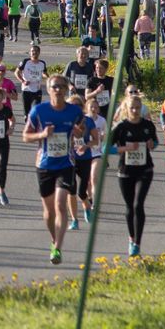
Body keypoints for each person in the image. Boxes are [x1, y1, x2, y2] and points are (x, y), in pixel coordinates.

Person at [23, 74, 86, 265]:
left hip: (65, 164)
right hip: (44, 165)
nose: (57, 90)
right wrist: (42, 134)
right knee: (49, 212)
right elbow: (26, 136)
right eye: (54, 87)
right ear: (48, 89)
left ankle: (57, 247)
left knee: (60, 204)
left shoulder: (74, 111)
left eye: (61, 86)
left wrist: (78, 132)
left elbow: (80, 127)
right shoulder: (39, 111)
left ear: (66, 90)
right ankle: (53, 239)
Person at [110, 90, 158, 256]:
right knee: (130, 207)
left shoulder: (147, 125)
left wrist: (152, 144)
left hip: (145, 169)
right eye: (133, 108)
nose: (136, 111)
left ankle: (137, 243)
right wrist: (125, 148)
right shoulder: (121, 127)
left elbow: (156, 142)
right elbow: (105, 148)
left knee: (139, 204)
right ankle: (131, 238)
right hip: (125, 170)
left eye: (138, 108)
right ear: (126, 108)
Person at [65, 95, 101, 231]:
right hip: (69, 159)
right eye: (71, 106)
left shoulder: (88, 121)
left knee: (82, 192)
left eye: (78, 106)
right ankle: (74, 220)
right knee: (71, 189)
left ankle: (86, 207)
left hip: (85, 158)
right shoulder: (65, 121)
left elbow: (96, 140)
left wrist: (86, 146)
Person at [16, 44, 47, 119]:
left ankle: (34, 128)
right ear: (30, 53)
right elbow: (16, 72)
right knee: (27, 115)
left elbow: (44, 73)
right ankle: (28, 128)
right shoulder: (25, 61)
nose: (34, 52)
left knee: (35, 112)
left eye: (36, 51)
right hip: (26, 90)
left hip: (37, 90)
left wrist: (49, 79)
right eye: (32, 51)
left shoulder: (42, 63)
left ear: (39, 53)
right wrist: (23, 81)